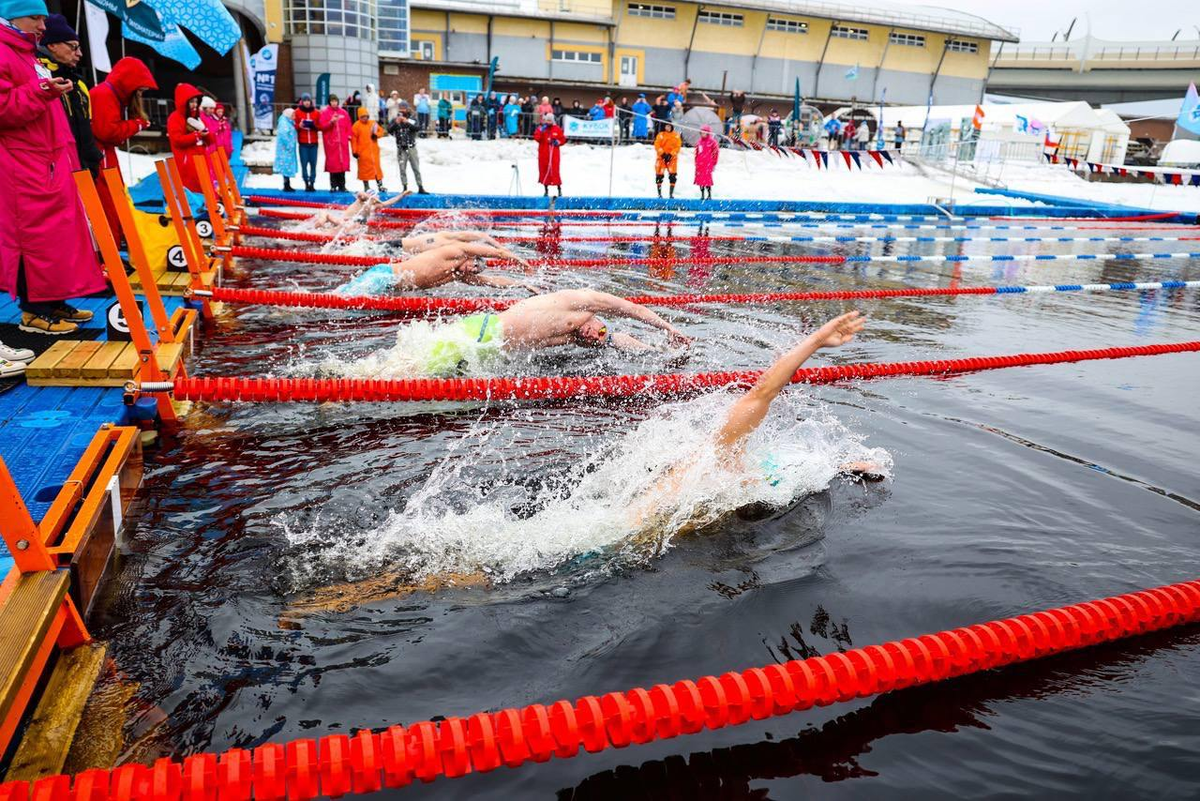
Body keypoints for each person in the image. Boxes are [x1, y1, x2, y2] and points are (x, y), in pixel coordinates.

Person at [630, 312, 872, 528]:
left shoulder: (714, 468)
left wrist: (840, 469)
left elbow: (773, 474)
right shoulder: (719, 455)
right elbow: (763, 391)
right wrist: (816, 340)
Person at [0, 1, 106, 336]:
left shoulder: (27, 55)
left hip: (47, 161)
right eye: (35, 17)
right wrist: (41, 90)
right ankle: (33, 310)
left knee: (57, 238)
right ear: (10, 16)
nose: (42, 25)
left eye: (44, 17)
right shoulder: (5, 54)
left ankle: (53, 300)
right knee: (34, 240)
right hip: (23, 166)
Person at [417, 289, 691, 376]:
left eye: (596, 341)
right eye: (601, 329)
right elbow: (630, 308)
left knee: (424, 380)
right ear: (598, 317)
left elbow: (616, 340)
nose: (596, 337)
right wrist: (669, 328)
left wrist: (658, 354)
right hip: (481, 333)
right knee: (408, 373)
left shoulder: (574, 334)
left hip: (482, 353)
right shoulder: (581, 303)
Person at [334, 242, 532, 296]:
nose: (472, 270)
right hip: (384, 276)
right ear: (471, 258)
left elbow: (492, 282)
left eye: (476, 271)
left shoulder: (457, 276)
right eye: (475, 265)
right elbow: (497, 252)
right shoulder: (455, 252)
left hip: (388, 287)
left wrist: (522, 284)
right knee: (340, 300)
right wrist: (519, 261)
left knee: (343, 298)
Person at [37, 14, 101, 176]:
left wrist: (93, 160)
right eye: (73, 47)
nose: (79, 54)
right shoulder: (37, 78)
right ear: (52, 45)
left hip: (85, 171)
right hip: (53, 174)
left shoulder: (80, 84)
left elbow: (88, 129)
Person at [166, 84, 215, 192]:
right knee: (191, 191)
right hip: (187, 162)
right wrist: (197, 135)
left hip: (202, 159)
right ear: (184, 102)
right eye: (192, 101)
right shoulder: (175, 118)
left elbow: (211, 141)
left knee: (206, 188)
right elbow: (177, 140)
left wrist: (205, 133)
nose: (195, 104)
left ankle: (210, 206)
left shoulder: (198, 117)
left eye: (196, 101)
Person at [387, 106, 426, 194]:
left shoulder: (412, 118)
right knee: (402, 169)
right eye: (400, 108)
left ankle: (420, 186)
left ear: (407, 109)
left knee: (416, 167)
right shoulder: (395, 119)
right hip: (401, 148)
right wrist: (395, 124)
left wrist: (407, 122)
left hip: (411, 147)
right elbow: (389, 130)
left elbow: (417, 128)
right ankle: (404, 187)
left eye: (403, 108)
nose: (402, 110)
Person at [318, 94, 353, 192]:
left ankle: (342, 185)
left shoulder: (344, 113)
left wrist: (348, 136)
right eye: (332, 101)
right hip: (331, 143)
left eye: (335, 101)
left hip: (342, 144)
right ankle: (333, 185)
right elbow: (322, 126)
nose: (334, 103)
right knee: (333, 164)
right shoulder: (325, 113)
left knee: (342, 164)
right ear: (329, 102)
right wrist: (331, 122)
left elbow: (349, 126)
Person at [351, 106, 386, 193]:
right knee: (364, 171)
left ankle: (380, 186)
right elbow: (353, 140)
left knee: (376, 169)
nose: (365, 118)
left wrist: (376, 135)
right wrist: (354, 151)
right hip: (362, 152)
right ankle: (366, 187)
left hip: (374, 152)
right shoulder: (356, 126)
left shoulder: (372, 123)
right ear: (359, 117)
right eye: (362, 117)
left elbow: (381, 131)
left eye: (366, 116)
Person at [533, 112, 565, 197]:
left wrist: (557, 142)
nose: (548, 122)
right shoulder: (541, 129)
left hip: (554, 154)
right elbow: (537, 138)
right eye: (547, 120)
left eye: (550, 120)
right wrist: (540, 131)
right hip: (544, 154)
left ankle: (559, 189)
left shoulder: (557, 129)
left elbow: (562, 139)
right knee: (544, 170)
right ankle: (546, 190)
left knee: (555, 171)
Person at [294, 94, 320, 191]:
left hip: (313, 143)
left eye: (308, 100)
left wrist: (315, 127)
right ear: (302, 101)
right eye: (305, 100)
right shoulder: (297, 112)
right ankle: (306, 183)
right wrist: (299, 126)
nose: (307, 102)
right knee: (304, 164)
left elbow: (321, 126)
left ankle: (312, 183)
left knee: (313, 164)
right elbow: (294, 126)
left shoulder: (316, 112)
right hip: (303, 143)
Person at [654, 121, 682, 198]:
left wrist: (671, 154)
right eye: (666, 126)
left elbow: (678, 147)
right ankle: (659, 194)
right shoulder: (660, 135)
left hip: (672, 159)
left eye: (669, 126)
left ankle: (671, 194)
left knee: (673, 176)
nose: (668, 128)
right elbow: (657, 145)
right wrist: (662, 154)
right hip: (661, 158)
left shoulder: (676, 136)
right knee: (659, 176)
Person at [273, 108, 299, 192]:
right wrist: (290, 145)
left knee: (287, 166)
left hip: (287, 149)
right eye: (293, 115)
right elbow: (283, 135)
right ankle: (286, 185)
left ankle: (287, 184)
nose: (294, 117)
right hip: (285, 149)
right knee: (286, 166)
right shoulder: (284, 123)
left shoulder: (287, 122)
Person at [694, 124, 718, 201]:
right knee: (700, 181)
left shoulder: (712, 142)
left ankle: (709, 195)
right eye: (702, 132)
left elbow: (716, 152)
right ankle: (702, 195)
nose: (703, 134)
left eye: (704, 132)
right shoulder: (699, 142)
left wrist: (714, 162)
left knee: (707, 180)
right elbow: (697, 153)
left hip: (708, 164)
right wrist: (696, 162)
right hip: (700, 164)